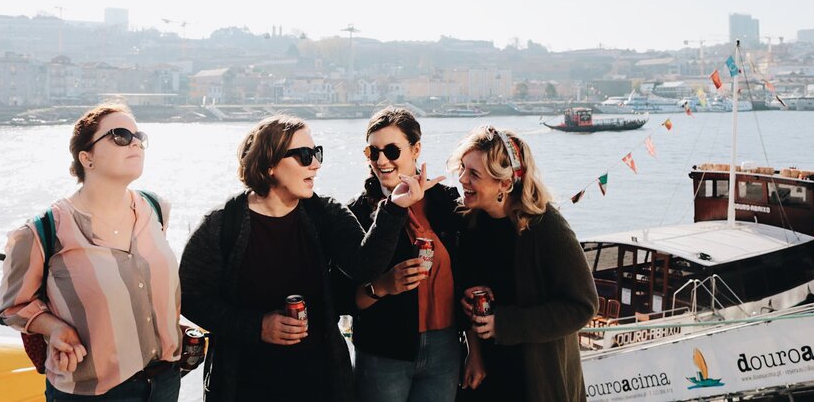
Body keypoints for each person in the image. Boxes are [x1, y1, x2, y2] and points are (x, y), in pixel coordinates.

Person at [179, 113, 442, 402]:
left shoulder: (323, 213)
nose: (316, 165)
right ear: (269, 164)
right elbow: (190, 297)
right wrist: (257, 327)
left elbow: (364, 266)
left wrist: (394, 209)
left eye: (317, 153)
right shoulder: (222, 225)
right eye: (304, 155)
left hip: (321, 383)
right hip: (244, 386)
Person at [0, 103, 182, 401]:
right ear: (87, 158)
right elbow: (12, 306)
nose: (135, 142)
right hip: (92, 392)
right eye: (120, 135)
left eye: (139, 136)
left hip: (165, 382)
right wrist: (54, 328)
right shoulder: (42, 231)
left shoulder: (156, 209)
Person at [451, 125, 597, 402]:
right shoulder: (468, 220)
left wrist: (504, 324)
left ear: (504, 184)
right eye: (462, 168)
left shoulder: (545, 226)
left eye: (473, 174)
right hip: (486, 374)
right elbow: (464, 286)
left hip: (537, 378)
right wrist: (475, 350)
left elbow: (583, 306)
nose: (462, 179)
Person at [335, 107, 462, 402]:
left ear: (416, 149)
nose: (381, 161)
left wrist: (476, 351)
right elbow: (340, 297)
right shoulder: (355, 214)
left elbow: (469, 275)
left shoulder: (445, 202)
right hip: (383, 352)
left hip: (446, 346)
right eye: (373, 152)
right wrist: (383, 286)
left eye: (391, 150)